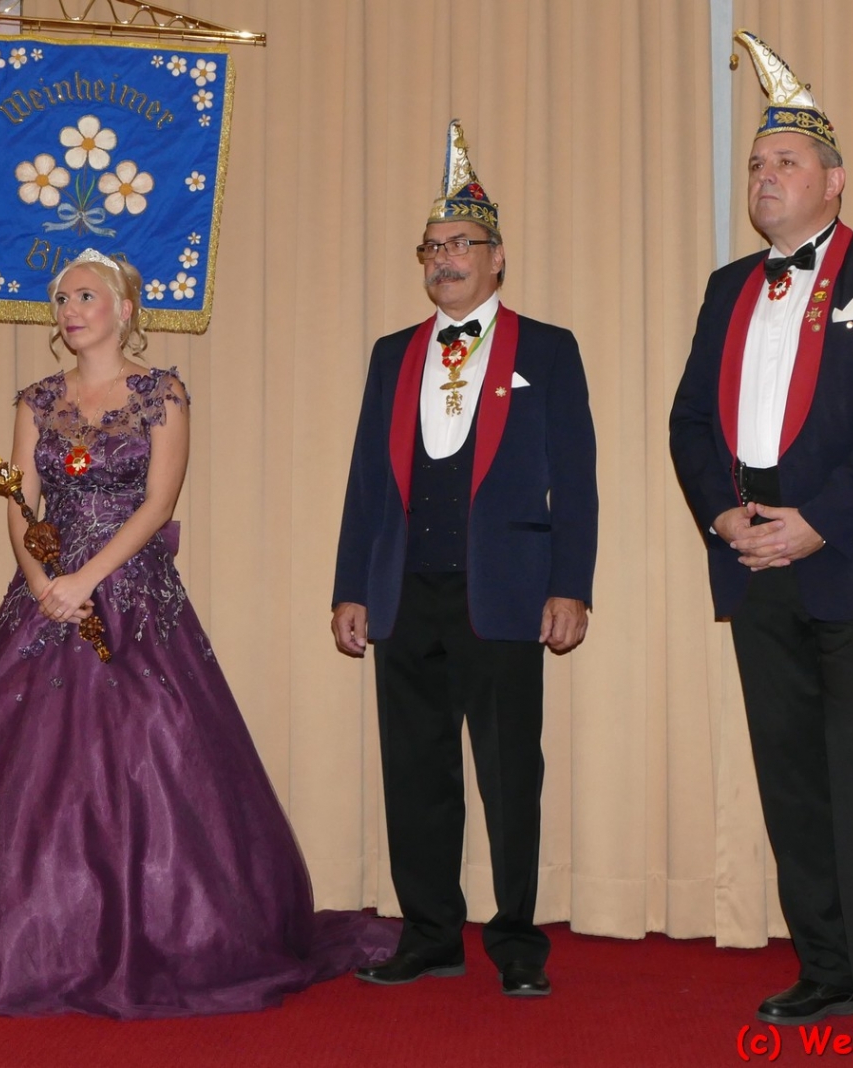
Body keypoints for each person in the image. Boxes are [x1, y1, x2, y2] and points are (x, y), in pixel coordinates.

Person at [0, 250, 394, 1018]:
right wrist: (42, 582)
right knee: (19, 773)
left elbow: (159, 503)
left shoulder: (161, 393)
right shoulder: (38, 399)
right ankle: (21, 942)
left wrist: (87, 579)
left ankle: (165, 938)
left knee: (155, 755)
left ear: (124, 308)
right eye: (62, 298)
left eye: (85, 296)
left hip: (132, 596)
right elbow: (20, 503)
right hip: (46, 599)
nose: (69, 309)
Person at [668, 33, 853, 1040]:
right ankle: (823, 968)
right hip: (753, 556)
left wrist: (818, 523)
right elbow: (689, 422)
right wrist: (722, 514)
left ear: (833, 180)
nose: (764, 176)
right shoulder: (726, 286)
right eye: (755, 163)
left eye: (785, 161)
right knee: (789, 777)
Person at [330, 121, 597, 998]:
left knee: (511, 775)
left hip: (507, 595)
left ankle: (517, 942)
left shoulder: (548, 349)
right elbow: (367, 481)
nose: (444, 259)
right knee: (415, 774)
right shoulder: (391, 355)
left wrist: (570, 585)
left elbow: (577, 482)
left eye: (460, 244)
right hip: (404, 593)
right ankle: (431, 934)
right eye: (432, 247)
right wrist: (350, 588)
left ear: (497, 257)